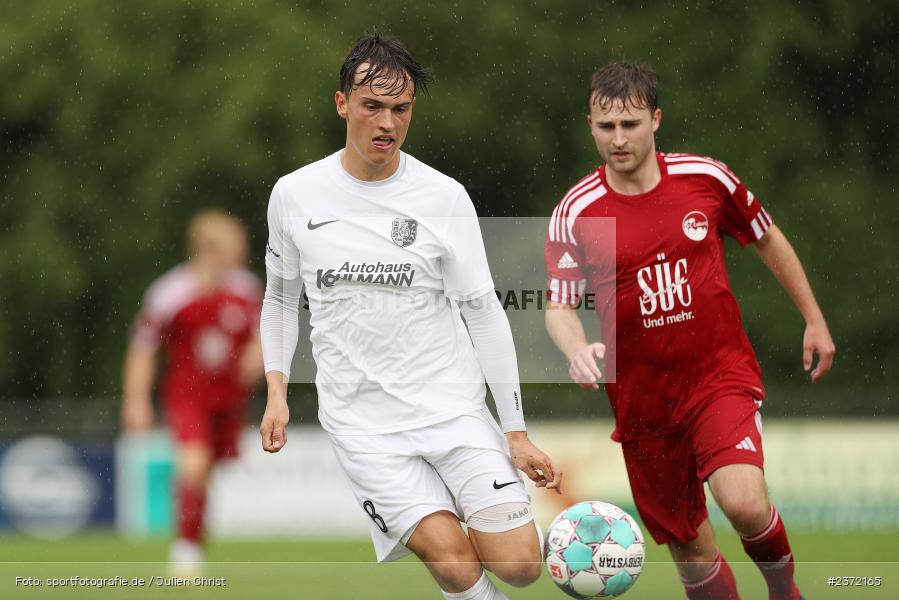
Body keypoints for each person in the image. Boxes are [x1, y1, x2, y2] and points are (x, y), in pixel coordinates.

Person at [259, 33, 561, 600]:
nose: (386, 123)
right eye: (372, 105)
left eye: (400, 109)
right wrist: (277, 390)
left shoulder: (443, 196)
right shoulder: (294, 195)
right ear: (342, 103)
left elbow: (483, 310)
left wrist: (515, 432)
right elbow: (278, 299)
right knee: (451, 563)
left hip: (452, 407)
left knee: (520, 564)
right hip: (362, 425)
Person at [544, 62, 835, 600]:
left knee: (745, 503)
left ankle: (785, 593)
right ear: (590, 125)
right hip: (643, 405)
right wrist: (577, 348)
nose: (619, 138)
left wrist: (813, 319)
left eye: (630, 124)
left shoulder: (705, 178)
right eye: (606, 127)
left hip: (716, 376)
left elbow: (766, 237)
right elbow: (558, 306)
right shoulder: (576, 211)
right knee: (693, 557)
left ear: (656, 119)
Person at [122, 209, 263, 569]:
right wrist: (136, 400)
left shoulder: (246, 289)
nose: (242, 251)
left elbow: (266, 334)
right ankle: (186, 551)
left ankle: (193, 539)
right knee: (194, 463)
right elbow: (143, 347)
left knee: (205, 472)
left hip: (229, 399)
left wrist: (257, 355)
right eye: (236, 244)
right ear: (211, 248)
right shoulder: (170, 292)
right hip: (187, 397)